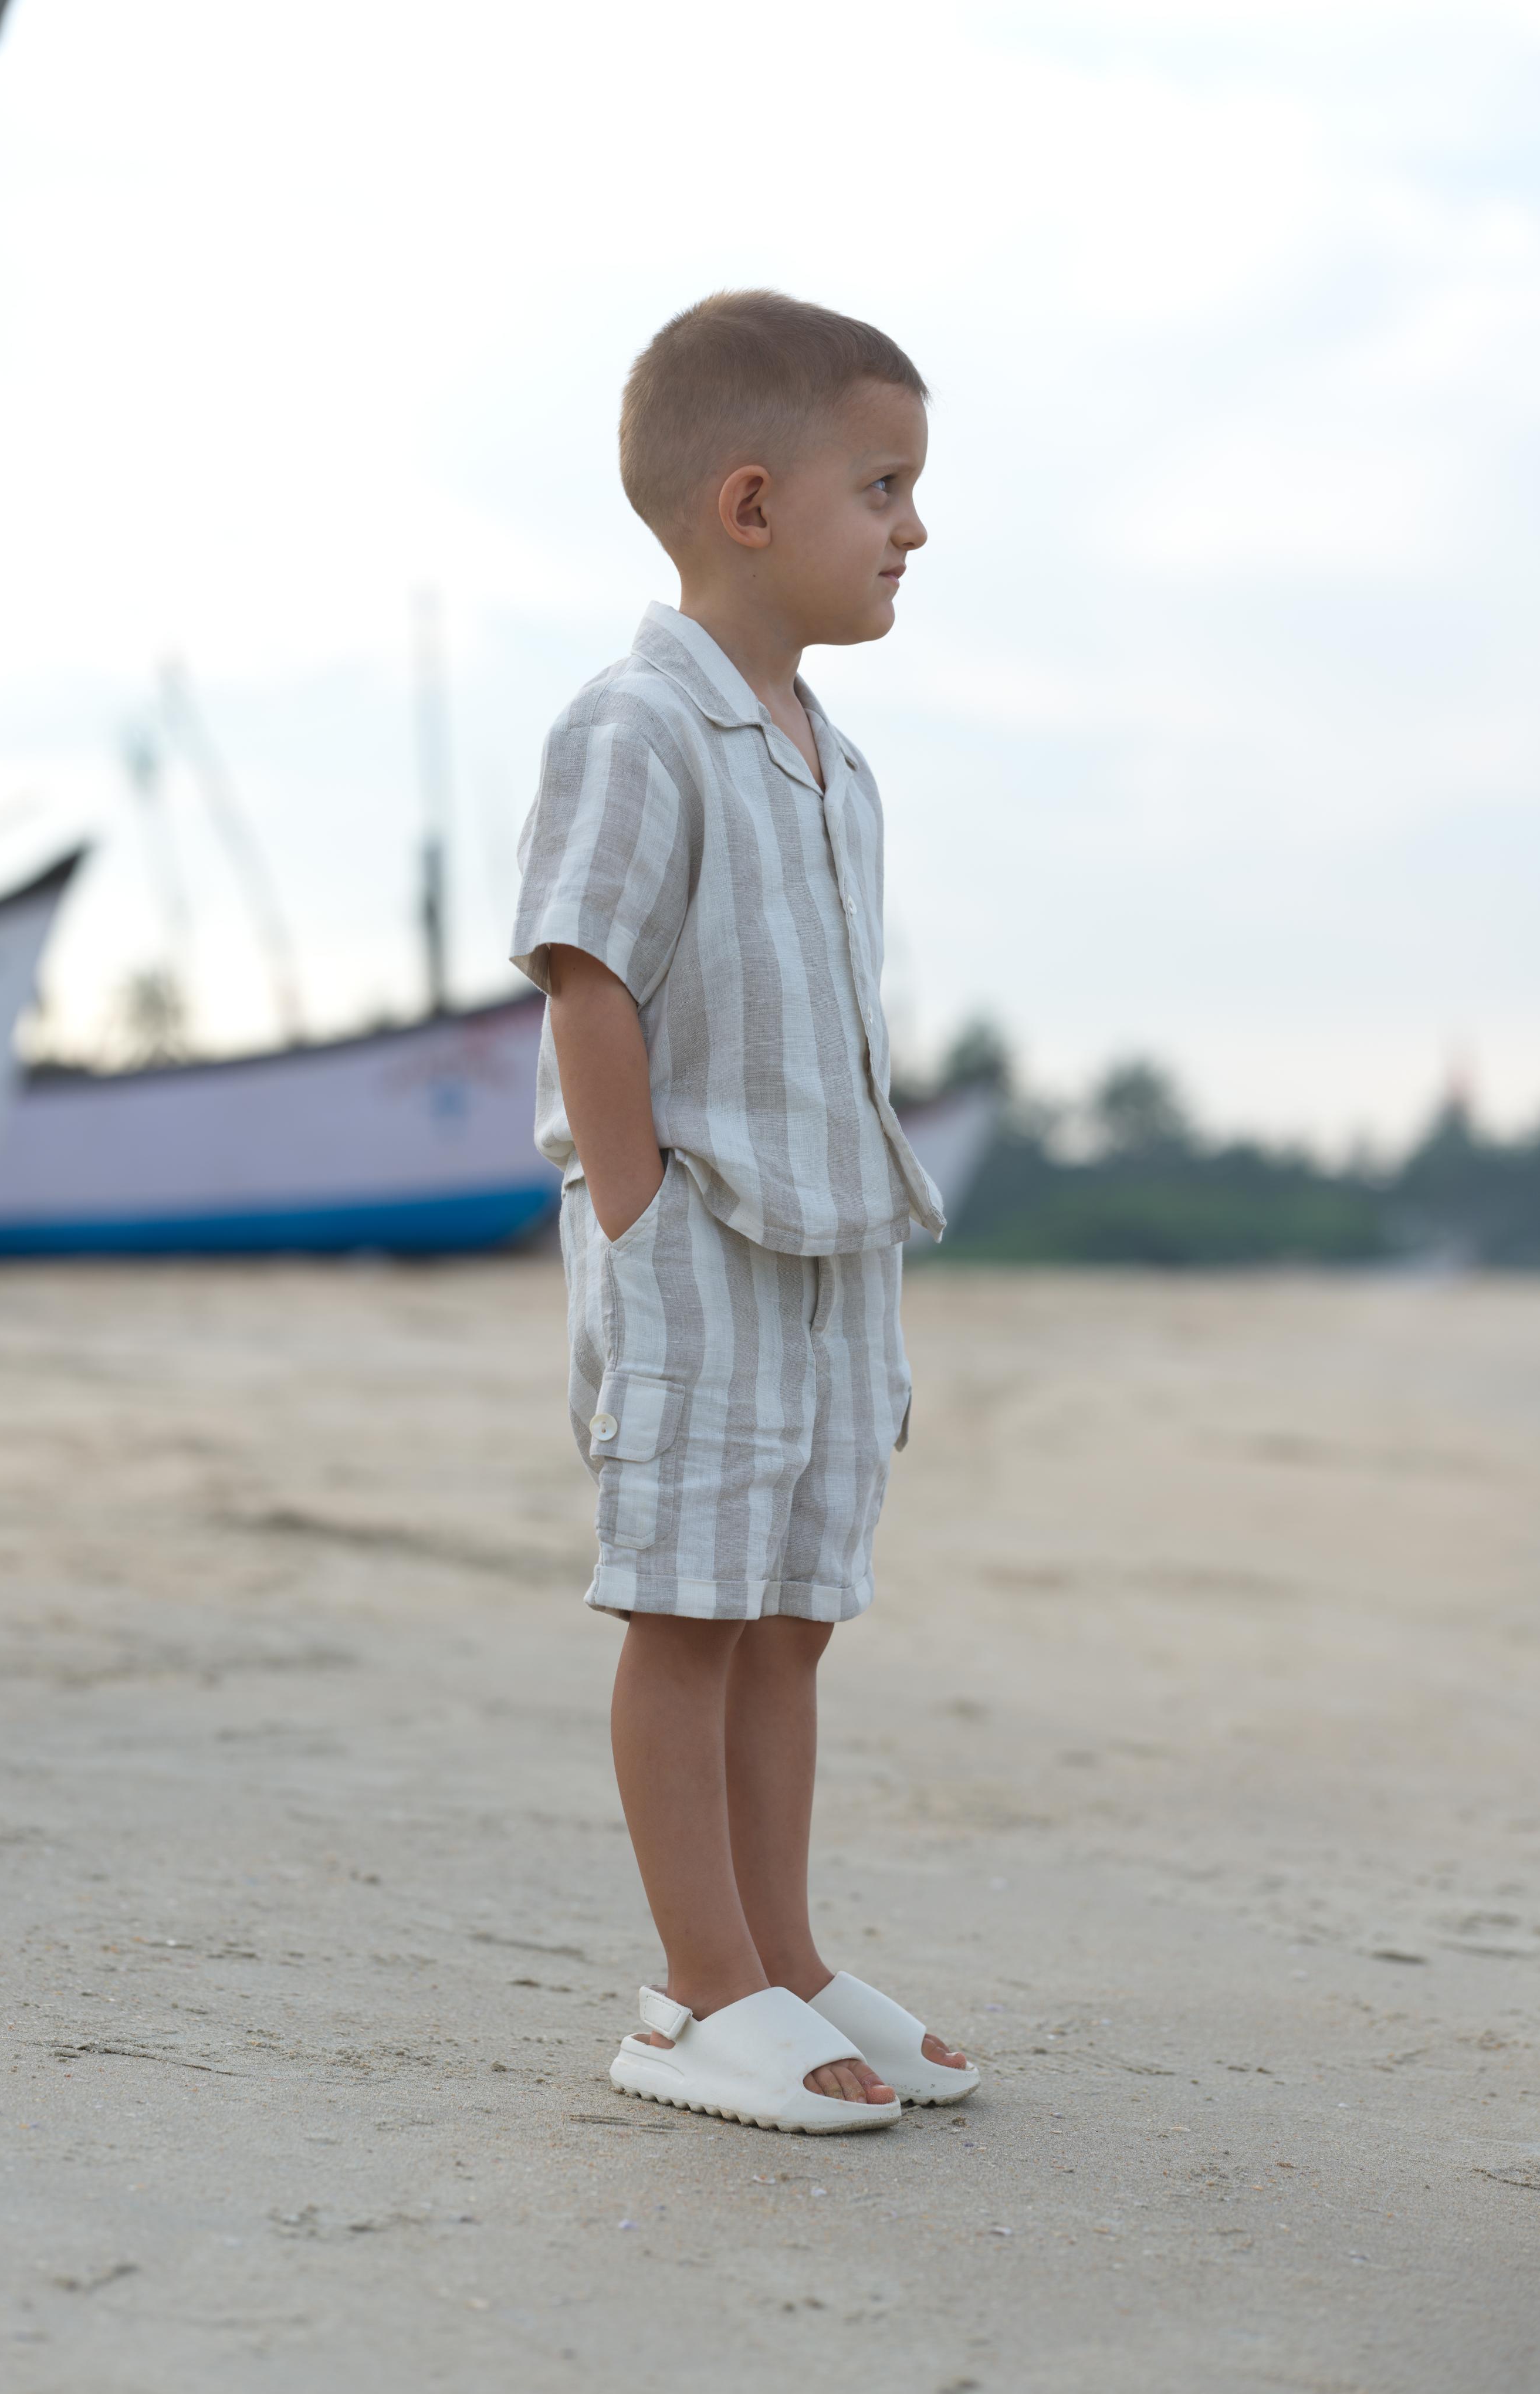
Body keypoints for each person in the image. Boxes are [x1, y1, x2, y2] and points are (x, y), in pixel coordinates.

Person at [510, 291, 980, 2134]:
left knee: (791, 1613)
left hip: (835, 1242)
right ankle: (697, 1991)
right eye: (885, 489)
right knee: (687, 1609)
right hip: (698, 1236)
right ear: (753, 505)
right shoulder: (642, 723)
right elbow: (584, 971)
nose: (915, 531)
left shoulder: (831, 757)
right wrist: (635, 1223)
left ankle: (782, 1956)